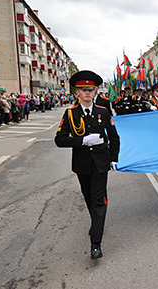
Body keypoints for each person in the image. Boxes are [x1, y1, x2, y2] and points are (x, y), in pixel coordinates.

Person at [55, 70, 121, 259]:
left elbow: (114, 138)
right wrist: (82, 141)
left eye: (90, 90)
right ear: (77, 92)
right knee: (89, 198)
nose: (87, 93)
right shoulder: (70, 114)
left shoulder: (103, 111)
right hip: (82, 164)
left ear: (95, 91)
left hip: (101, 162)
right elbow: (59, 140)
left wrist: (114, 159)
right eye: (83, 90)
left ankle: (96, 243)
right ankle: (96, 224)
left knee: (99, 200)